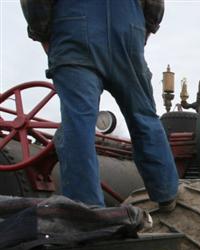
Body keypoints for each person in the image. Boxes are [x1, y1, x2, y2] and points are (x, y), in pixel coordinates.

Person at [22, 0, 179, 210]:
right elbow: (154, 4)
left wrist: (41, 32)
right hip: (127, 25)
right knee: (143, 116)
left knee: (78, 122)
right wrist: (143, 28)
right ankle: (166, 193)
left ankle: (87, 209)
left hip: (72, 25)